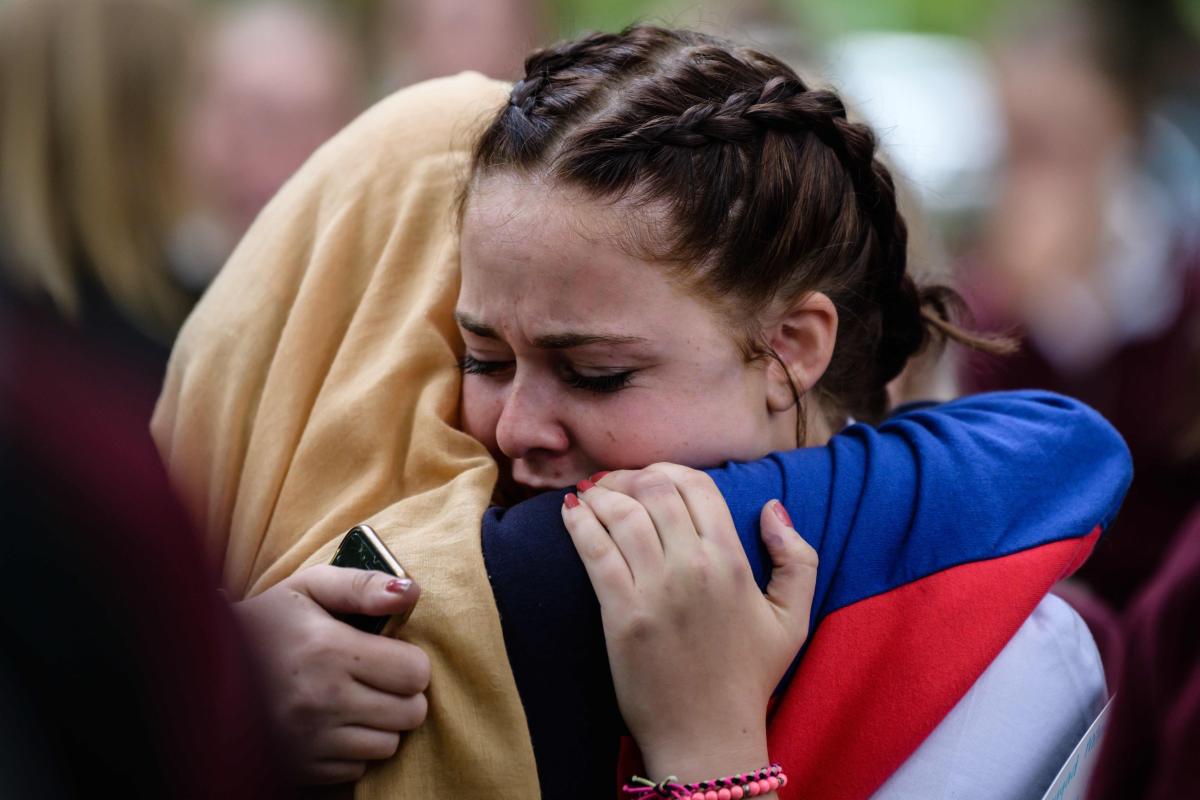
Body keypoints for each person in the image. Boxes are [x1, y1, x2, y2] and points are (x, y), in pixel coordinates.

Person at [152, 30, 1129, 799]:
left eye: (596, 372)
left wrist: (709, 757)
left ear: (793, 346)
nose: (515, 425)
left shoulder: (1016, 672)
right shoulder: (409, 564)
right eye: (483, 357)